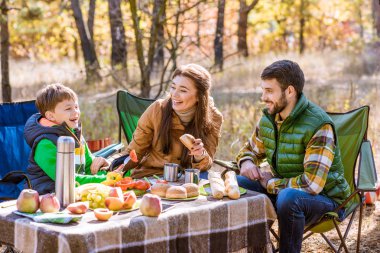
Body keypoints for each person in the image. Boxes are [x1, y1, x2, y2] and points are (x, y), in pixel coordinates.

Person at [235, 60, 351, 253]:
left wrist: (271, 183)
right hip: (285, 191)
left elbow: (312, 185)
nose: (263, 97)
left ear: (290, 91)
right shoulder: (269, 119)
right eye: (262, 90)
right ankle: (261, 249)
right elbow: (249, 151)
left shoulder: (318, 126)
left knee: (289, 197)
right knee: (240, 183)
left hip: (326, 199)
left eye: (269, 91)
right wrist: (246, 162)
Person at [122, 63, 223, 179]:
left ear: (199, 96)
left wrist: (200, 155)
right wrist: (110, 163)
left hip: (186, 178)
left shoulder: (214, 117)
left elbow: (206, 165)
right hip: (151, 176)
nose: (174, 95)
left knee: (205, 178)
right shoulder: (157, 109)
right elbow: (134, 152)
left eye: (183, 90)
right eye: (173, 87)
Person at [24, 83, 110, 194]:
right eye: (68, 108)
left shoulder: (75, 134)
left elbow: (89, 167)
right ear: (50, 116)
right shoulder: (45, 143)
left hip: (75, 191)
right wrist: (107, 179)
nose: (76, 112)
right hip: (46, 196)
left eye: (76, 107)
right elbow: (66, 180)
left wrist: (107, 170)